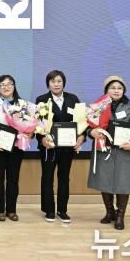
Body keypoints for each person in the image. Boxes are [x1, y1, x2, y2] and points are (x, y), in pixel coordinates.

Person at [87, 75, 130, 230]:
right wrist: (92, 132)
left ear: (124, 90)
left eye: (119, 88)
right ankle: (109, 212)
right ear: (106, 90)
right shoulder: (98, 107)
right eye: (112, 88)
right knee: (104, 181)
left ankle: (120, 215)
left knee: (123, 183)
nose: (116, 91)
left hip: (124, 151)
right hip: (103, 149)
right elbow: (89, 126)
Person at [35, 70, 85, 223]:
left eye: (59, 81)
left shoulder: (73, 99)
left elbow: (81, 121)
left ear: (63, 83)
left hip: (67, 147)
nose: (56, 84)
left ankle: (62, 210)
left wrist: (82, 136)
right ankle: (49, 210)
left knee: (64, 177)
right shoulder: (42, 100)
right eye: (53, 81)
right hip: (49, 147)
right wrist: (42, 139)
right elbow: (37, 124)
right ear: (48, 84)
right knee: (47, 177)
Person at [0, 74, 26, 222]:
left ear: (14, 86)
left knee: (13, 179)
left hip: (16, 147)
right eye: (2, 84)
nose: (6, 87)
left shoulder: (22, 104)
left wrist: (28, 134)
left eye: (9, 84)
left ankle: (11, 210)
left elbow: (29, 124)